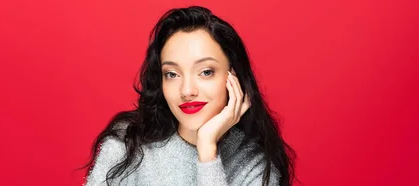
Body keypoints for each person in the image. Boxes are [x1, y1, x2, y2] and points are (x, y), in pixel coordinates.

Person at [83, 6, 296, 186]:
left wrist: (207, 151)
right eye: (172, 74)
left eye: (206, 72)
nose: (186, 91)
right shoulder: (127, 143)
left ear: (234, 77)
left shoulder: (254, 165)